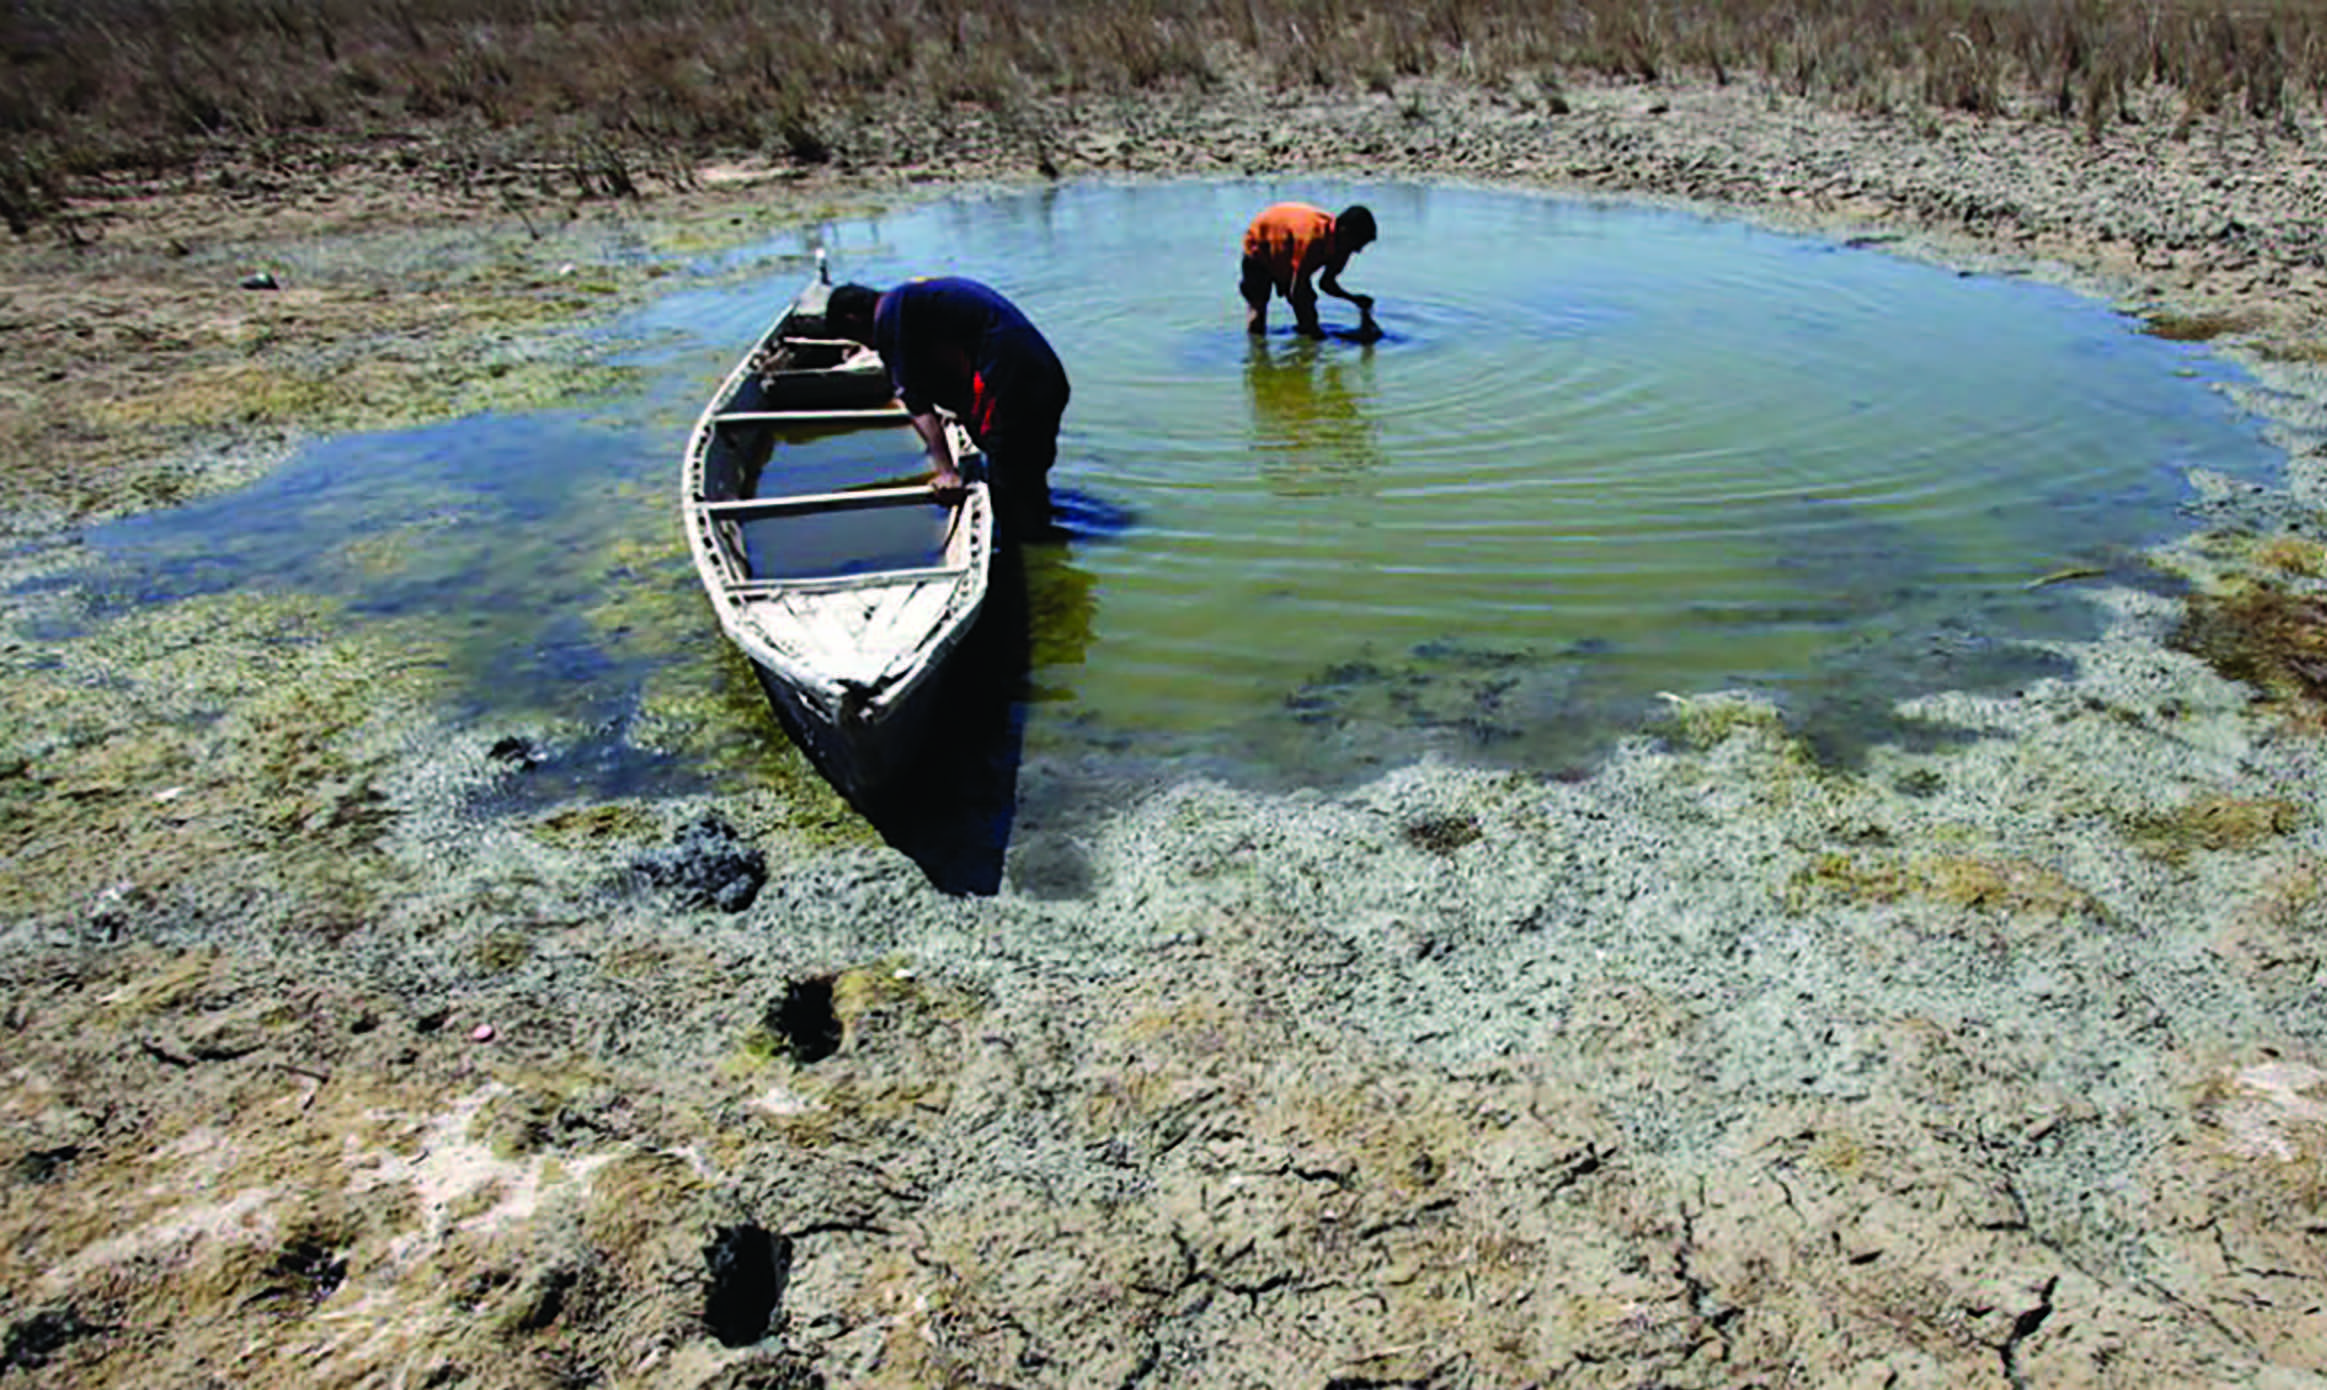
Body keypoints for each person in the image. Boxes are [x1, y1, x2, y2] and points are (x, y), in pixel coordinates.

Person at [823, 276, 1071, 539]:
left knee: (1007, 496)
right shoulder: (913, 300)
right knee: (1029, 479)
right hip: (1047, 376)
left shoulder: (890, 319)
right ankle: (1048, 538)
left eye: (857, 338)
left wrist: (947, 472)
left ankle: (1026, 550)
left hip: (1012, 384)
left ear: (854, 319)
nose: (869, 347)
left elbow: (916, 403)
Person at [1239, 202, 1378, 340]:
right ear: (1344, 231)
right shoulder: (1313, 239)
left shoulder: (1343, 247)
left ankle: (1303, 344)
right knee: (1258, 310)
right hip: (1261, 243)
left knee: (1307, 312)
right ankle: (1256, 348)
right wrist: (1314, 332)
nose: (1358, 250)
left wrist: (1354, 299)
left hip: (1288, 250)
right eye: (1358, 243)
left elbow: (1326, 284)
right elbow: (1297, 291)